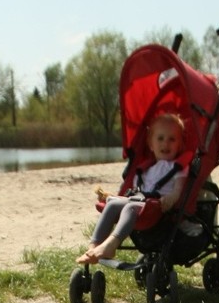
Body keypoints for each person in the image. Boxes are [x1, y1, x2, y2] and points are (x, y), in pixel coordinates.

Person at [77, 111, 187, 265]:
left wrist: (172, 197)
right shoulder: (146, 170)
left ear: (180, 144)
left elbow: (179, 189)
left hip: (158, 207)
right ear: (151, 144)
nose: (165, 143)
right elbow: (136, 193)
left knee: (131, 207)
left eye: (172, 139)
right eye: (160, 138)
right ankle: (93, 247)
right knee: (114, 204)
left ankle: (111, 245)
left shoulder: (178, 168)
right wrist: (113, 196)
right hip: (140, 201)